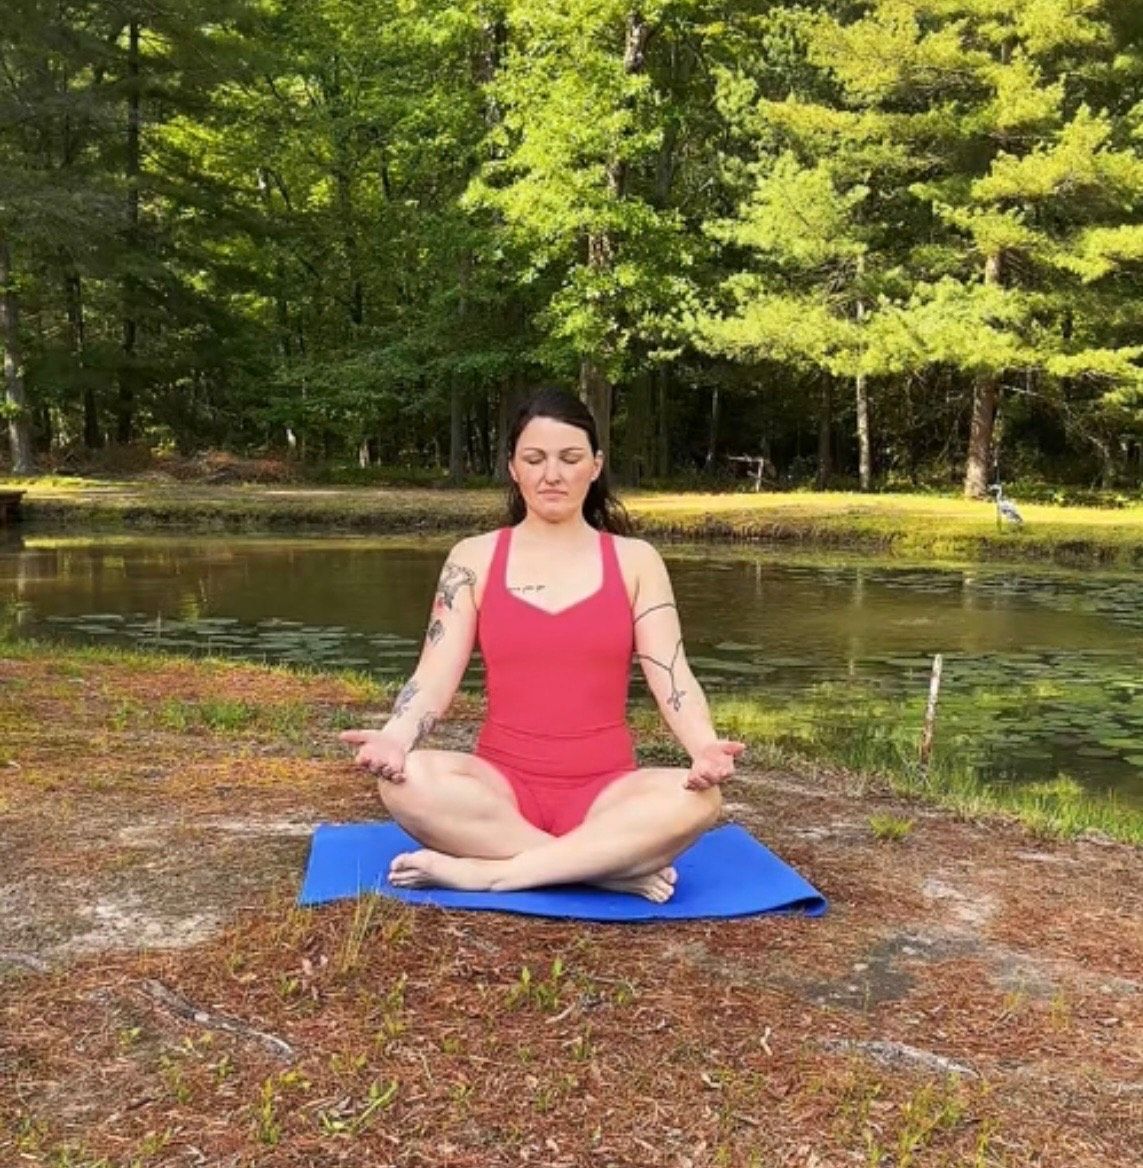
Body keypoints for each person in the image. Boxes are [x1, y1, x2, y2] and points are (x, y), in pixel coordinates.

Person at [339, 387, 745, 902]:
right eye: (534, 459)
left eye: (569, 458)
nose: (552, 474)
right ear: (512, 467)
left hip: (606, 791)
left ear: (595, 466)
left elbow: (671, 675)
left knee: (700, 801)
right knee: (405, 779)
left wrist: (704, 746)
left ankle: (492, 873)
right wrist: (396, 738)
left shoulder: (636, 560)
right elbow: (434, 675)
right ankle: (602, 868)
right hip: (499, 791)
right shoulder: (474, 558)